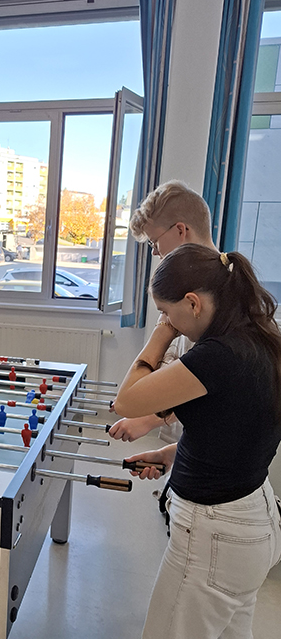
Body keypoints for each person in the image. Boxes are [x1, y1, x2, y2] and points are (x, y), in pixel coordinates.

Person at [113, 244, 281, 639]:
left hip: (212, 536)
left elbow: (130, 398)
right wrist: (169, 456)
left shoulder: (216, 355)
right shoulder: (262, 341)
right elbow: (232, 429)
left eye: (169, 312)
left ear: (193, 302)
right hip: (254, 521)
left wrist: (160, 334)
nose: (168, 323)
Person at [109, 181, 217, 446]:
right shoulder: (186, 285)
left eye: (154, 242)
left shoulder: (218, 296)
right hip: (187, 444)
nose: (155, 252)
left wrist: (148, 417)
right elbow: (177, 362)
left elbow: (212, 383)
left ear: (180, 230)